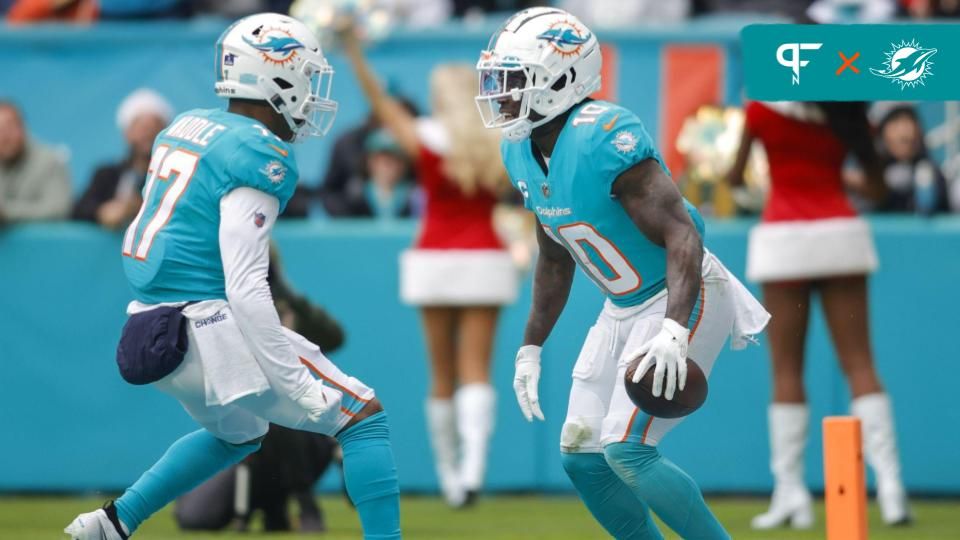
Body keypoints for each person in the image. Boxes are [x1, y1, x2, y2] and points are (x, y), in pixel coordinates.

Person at [63, 13, 400, 540]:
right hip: (207, 326)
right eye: (306, 79)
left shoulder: (188, 126)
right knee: (364, 415)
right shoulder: (256, 153)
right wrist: (294, 381)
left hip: (151, 325)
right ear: (278, 79)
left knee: (239, 433)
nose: (311, 96)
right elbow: (246, 284)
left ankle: (111, 522)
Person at [476, 7, 769, 539]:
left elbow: (683, 234)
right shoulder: (519, 149)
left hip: (685, 289)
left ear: (560, 80)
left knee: (628, 450)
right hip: (624, 306)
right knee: (582, 459)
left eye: (512, 80)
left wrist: (675, 330)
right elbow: (555, 253)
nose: (500, 93)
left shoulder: (603, 133)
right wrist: (530, 346)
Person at [341, 23, 517, 507]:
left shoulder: (425, 136)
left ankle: (449, 476)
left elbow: (380, 103)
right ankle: (474, 468)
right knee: (477, 369)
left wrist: (354, 52)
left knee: (441, 374)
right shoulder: (494, 140)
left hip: (435, 259)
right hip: (485, 257)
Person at [726, 100, 911, 528]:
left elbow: (734, 178)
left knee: (786, 371)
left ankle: (791, 495)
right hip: (839, 234)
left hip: (784, 238)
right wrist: (840, 177)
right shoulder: (848, 111)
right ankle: (891, 490)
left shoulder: (759, 112)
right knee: (861, 363)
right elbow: (879, 190)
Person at [73, 89, 173, 229]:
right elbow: (79, 209)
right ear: (127, 132)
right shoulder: (106, 174)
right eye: (141, 128)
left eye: (154, 127)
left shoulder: (171, 178)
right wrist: (102, 212)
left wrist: (140, 208)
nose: (148, 134)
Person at [0, 101, 71, 224]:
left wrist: (7, 212)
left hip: (41, 242)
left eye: (9, 127)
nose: (5, 136)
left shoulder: (49, 160)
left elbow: (58, 209)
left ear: (22, 128)